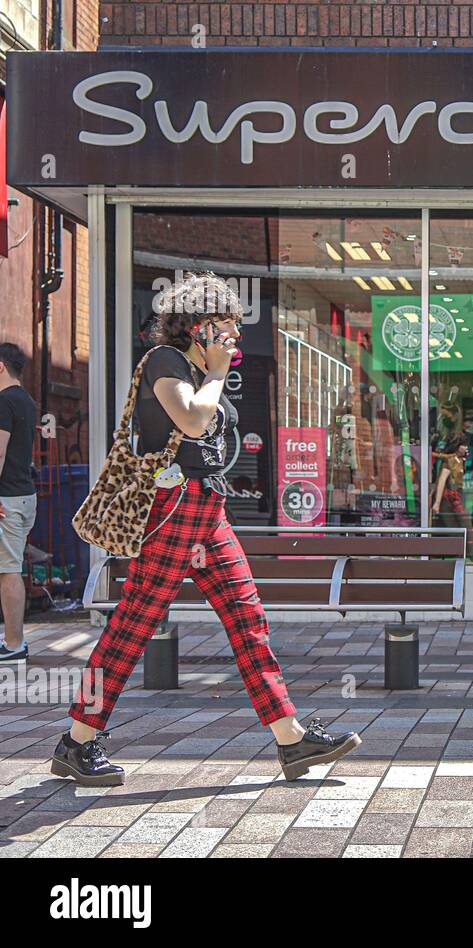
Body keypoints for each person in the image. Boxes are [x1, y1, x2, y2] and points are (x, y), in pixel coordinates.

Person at [55, 272, 361, 787]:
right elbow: (192, 422)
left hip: (209, 510)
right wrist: (216, 372)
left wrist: (214, 370)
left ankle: (291, 741)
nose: (236, 336)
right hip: (171, 509)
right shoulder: (165, 362)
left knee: (248, 618)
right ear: (199, 327)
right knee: (133, 627)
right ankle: (77, 741)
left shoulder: (199, 367)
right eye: (227, 325)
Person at [0, 344, 38, 663]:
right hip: (24, 495)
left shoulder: (4, 401)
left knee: (8, 570)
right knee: (9, 567)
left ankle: (14, 645)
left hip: (7, 498)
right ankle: (13, 641)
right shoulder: (26, 400)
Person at [433, 435, 473, 562]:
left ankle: (466, 555)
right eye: (463, 445)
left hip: (456, 496)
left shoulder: (460, 460)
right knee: (463, 526)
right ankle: (471, 555)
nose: (465, 448)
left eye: (466, 445)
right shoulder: (450, 461)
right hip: (449, 498)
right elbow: (442, 481)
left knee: (461, 527)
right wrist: (437, 503)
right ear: (457, 446)